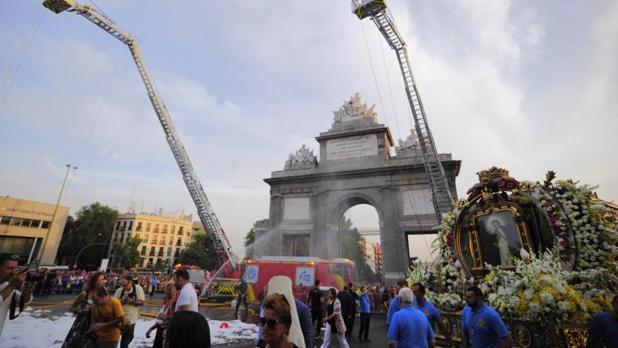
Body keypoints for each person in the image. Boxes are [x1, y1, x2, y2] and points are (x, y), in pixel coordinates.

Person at [62, 271, 106, 348]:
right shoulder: (85, 293)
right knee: (77, 344)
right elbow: (72, 307)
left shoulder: (104, 292)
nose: (100, 282)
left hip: (97, 324)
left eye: (102, 279)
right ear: (93, 281)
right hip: (83, 324)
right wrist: (79, 311)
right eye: (98, 280)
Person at [0, 254, 33, 337]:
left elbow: (24, 300)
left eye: (15, 268)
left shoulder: (5, 285)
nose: (13, 272)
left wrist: (28, 288)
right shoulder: (9, 286)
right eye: (9, 268)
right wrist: (12, 285)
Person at [114, 275, 145, 348]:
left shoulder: (138, 289)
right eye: (122, 285)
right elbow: (114, 303)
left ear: (130, 282)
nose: (123, 287)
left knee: (127, 339)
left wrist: (133, 301)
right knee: (115, 339)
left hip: (131, 319)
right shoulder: (119, 290)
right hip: (119, 319)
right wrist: (122, 301)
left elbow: (142, 302)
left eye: (125, 285)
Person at [146, 282, 177, 348]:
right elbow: (160, 321)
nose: (168, 291)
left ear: (175, 290)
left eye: (170, 289)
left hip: (168, 332)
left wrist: (165, 317)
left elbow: (175, 317)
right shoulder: (167, 302)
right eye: (167, 289)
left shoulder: (176, 302)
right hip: (160, 331)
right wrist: (151, 328)